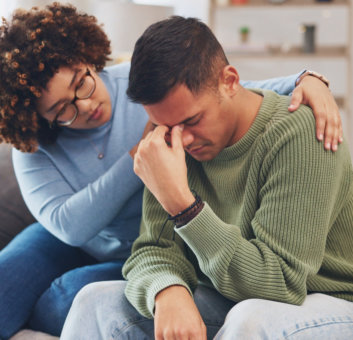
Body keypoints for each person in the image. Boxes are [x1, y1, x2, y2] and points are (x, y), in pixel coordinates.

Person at [0, 3, 342, 339]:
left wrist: (305, 77)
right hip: (78, 235)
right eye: (63, 109)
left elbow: (278, 283)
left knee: (69, 294)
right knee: (86, 299)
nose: (182, 140)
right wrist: (167, 289)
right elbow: (129, 243)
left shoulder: (292, 134)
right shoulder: (166, 135)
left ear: (89, 61)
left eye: (82, 84)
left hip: (314, 295)